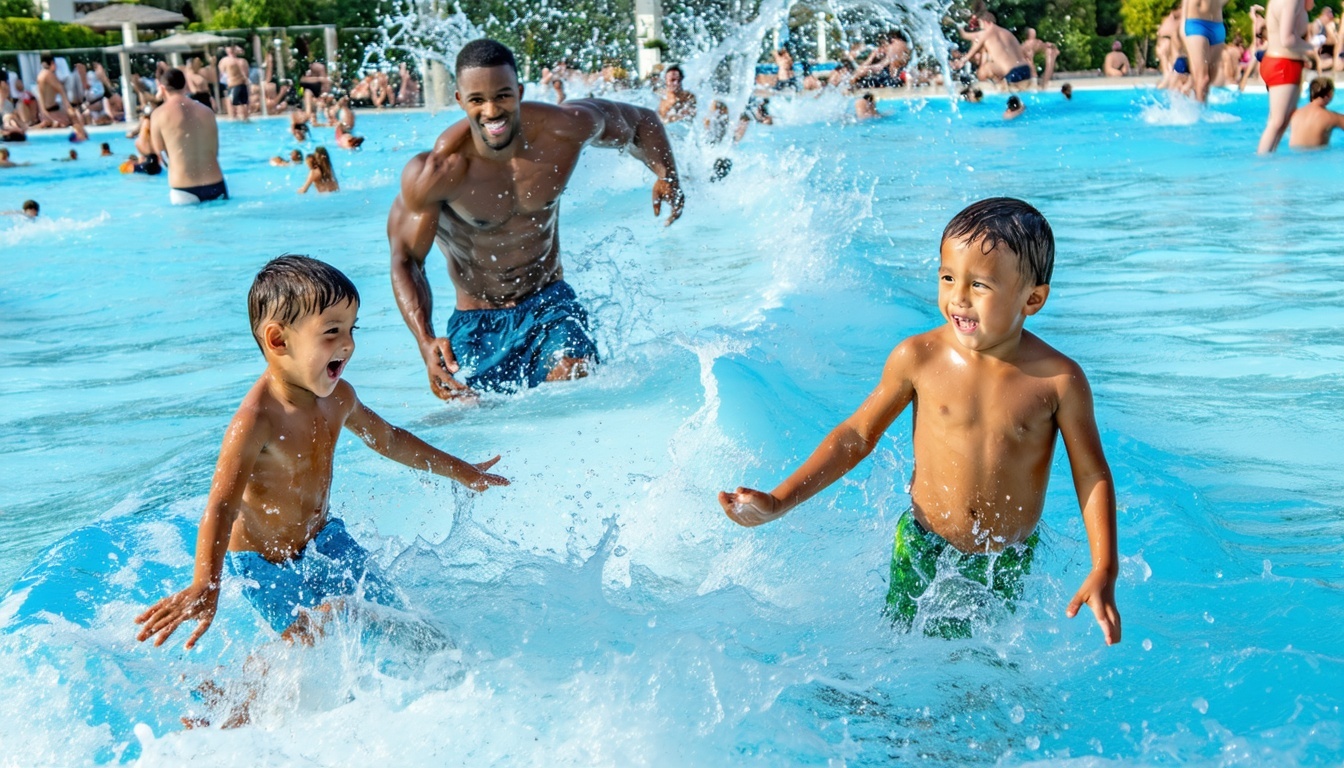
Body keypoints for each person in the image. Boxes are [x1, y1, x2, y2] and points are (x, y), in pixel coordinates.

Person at [718, 198, 1120, 644]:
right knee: (900, 653)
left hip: (1004, 560)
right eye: (948, 277)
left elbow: (1091, 473)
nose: (958, 298)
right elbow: (855, 436)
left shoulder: (1058, 381)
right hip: (923, 545)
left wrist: (1104, 566)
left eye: (980, 286)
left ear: (1033, 299)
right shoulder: (919, 358)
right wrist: (779, 500)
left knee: (982, 669)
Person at [134, 256, 508, 651]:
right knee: (306, 642)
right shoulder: (257, 419)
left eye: (351, 329)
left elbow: (390, 439)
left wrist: (463, 471)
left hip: (325, 543)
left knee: (411, 630)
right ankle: (235, 706)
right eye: (332, 331)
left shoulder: (339, 398)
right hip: (266, 564)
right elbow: (221, 504)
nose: (348, 344)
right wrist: (205, 583)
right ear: (278, 341)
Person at [388, 39, 683, 398]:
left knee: (577, 379)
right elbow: (406, 258)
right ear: (460, 100)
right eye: (477, 100)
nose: (492, 110)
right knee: (472, 418)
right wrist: (425, 339)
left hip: (550, 303)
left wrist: (666, 175)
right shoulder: (435, 173)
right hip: (477, 323)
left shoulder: (564, 129)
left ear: (520, 91)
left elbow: (641, 122)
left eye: (503, 96)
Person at [151, 68, 228, 204]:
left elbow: (161, 154)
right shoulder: (207, 111)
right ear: (185, 85)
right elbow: (214, 151)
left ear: (161, 88)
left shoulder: (159, 115)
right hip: (216, 183)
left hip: (184, 188)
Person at [1258, 0, 1312, 153]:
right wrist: (1313, 49)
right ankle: (1261, 163)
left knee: (1283, 120)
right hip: (1281, 64)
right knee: (1277, 121)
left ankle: (1268, 158)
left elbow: (1308, 8)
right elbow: (1287, 40)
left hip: (1286, 63)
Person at [952, 13, 1033, 91]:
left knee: (983, 70)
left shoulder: (986, 33)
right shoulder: (1006, 32)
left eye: (980, 23)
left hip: (1012, 74)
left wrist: (962, 61)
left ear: (985, 22)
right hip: (1026, 69)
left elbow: (965, 37)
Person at [1181, 0, 1230, 102]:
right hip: (1196, 24)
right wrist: (1182, 28)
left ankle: (1195, 105)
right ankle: (1199, 114)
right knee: (1203, 79)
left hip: (1217, 25)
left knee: (1208, 82)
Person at [36, 56, 88, 141]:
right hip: (52, 111)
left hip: (46, 110)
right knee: (77, 116)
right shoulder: (49, 75)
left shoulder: (40, 75)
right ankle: (82, 137)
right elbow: (61, 91)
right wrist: (69, 108)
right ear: (52, 63)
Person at [1288, 77, 1344, 147]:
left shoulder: (1295, 114)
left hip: (1294, 156)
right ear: (1330, 94)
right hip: (1319, 155)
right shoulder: (1330, 117)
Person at [220, 46, 251, 121]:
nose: (231, 49)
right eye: (229, 47)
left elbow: (246, 74)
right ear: (226, 49)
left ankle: (245, 122)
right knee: (234, 107)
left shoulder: (243, 61)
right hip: (233, 85)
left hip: (243, 85)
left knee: (244, 106)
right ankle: (233, 122)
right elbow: (222, 75)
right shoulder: (225, 61)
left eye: (233, 47)